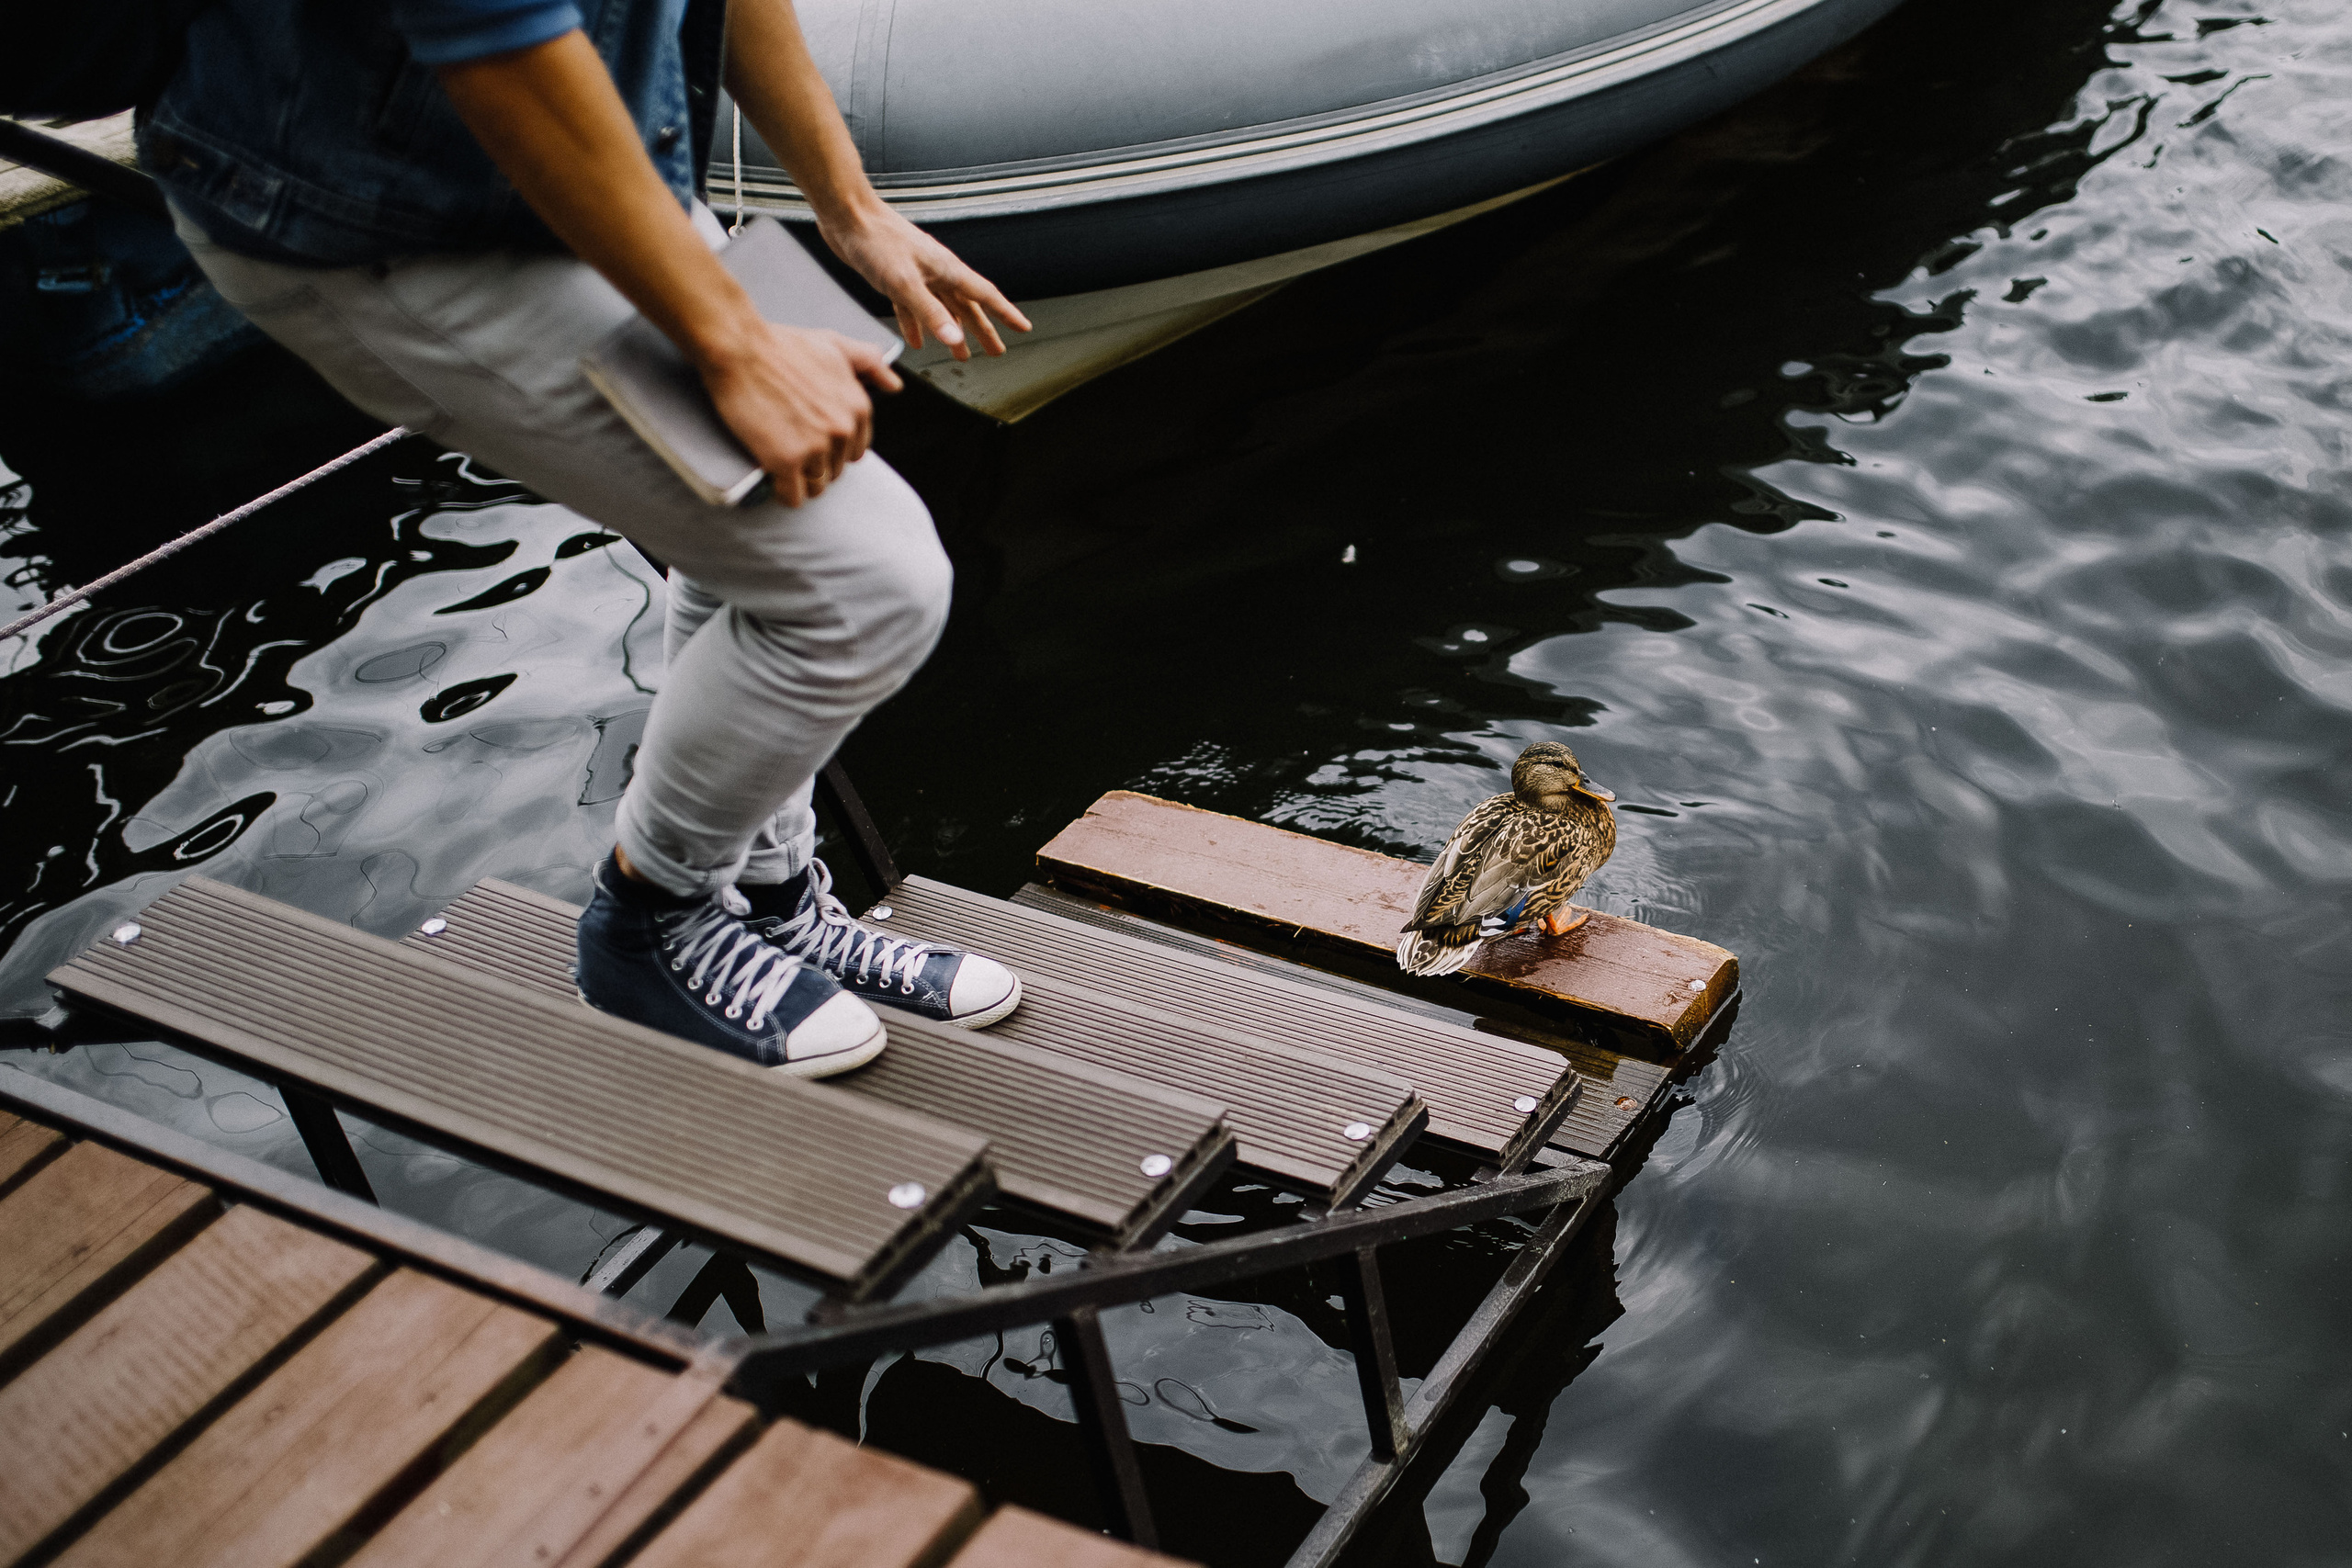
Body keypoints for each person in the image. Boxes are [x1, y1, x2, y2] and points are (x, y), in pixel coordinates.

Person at [140, 0, 1033, 1075]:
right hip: (395, 209)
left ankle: (770, 902)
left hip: (582, 158)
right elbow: (493, 32)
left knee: (763, 518)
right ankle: (650, 923)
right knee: (867, 579)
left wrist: (848, 206)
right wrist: (731, 342)